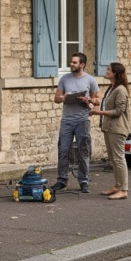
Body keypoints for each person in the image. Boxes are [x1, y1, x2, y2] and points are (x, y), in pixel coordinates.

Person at [52, 52, 99, 193]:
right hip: (66, 120)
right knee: (63, 150)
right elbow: (56, 98)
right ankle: (62, 180)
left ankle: (84, 181)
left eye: (74, 62)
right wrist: (64, 97)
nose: (71, 64)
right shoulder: (64, 79)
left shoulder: (90, 80)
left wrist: (89, 100)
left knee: (83, 150)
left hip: (82, 120)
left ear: (82, 65)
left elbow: (97, 100)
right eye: (71, 62)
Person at [89, 61, 131, 199]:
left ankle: (124, 190)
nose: (106, 71)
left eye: (108, 70)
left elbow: (118, 111)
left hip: (117, 129)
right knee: (113, 158)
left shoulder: (121, 90)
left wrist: (98, 113)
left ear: (115, 73)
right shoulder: (111, 88)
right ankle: (117, 185)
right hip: (109, 128)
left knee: (119, 158)